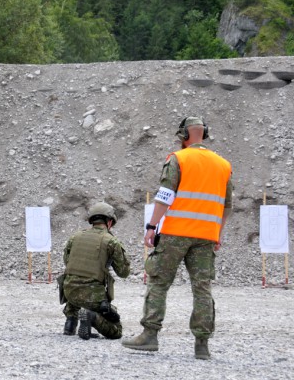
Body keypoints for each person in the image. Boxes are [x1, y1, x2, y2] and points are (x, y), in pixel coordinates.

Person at [123, 117, 232, 360]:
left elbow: (165, 195)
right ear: (204, 134)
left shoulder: (178, 158)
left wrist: (152, 226)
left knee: (159, 282)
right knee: (202, 289)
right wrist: (217, 233)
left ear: (184, 135)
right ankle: (202, 345)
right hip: (206, 236)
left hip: (176, 233)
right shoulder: (224, 165)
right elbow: (227, 206)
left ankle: (149, 335)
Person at [60, 202, 131, 340]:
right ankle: (91, 317)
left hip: (69, 293)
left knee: (76, 277)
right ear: (109, 222)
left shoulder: (75, 237)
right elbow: (123, 272)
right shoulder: (111, 241)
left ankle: (70, 323)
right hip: (92, 297)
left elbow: (67, 262)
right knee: (116, 331)